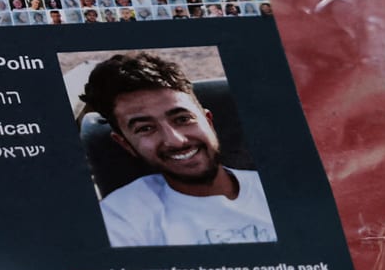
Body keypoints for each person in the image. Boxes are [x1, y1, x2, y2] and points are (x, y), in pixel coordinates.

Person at [80, 51, 277, 247]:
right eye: (145, 128)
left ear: (208, 121)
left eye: (182, 119)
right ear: (125, 144)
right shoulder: (121, 218)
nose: (176, 141)